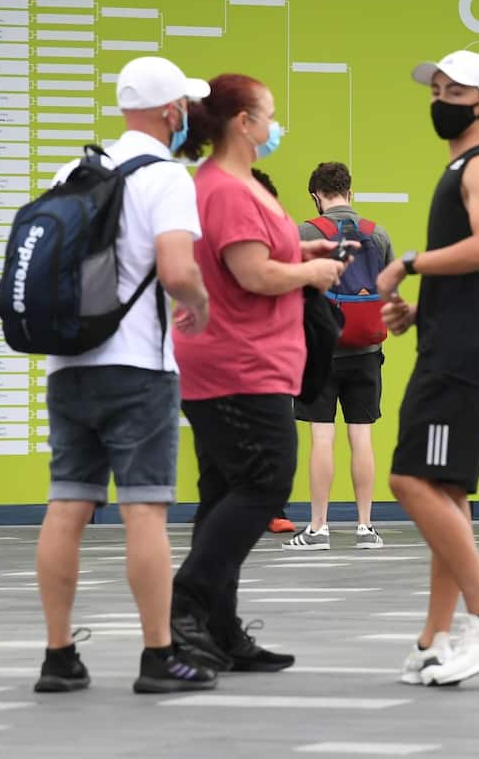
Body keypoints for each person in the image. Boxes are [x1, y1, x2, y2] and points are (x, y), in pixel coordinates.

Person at [34, 55, 216, 694]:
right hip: (137, 367)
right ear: (172, 112)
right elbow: (175, 268)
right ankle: (159, 655)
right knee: (145, 512)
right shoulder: (167, 176)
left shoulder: (75, 169)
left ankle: (59, 656)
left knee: (67, 504)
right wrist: (197, 303)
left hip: (68, 365)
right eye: (184, 108)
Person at [168, 73, 348, 673]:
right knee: (266, 483)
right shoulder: (223, 189)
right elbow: (251, 275)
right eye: (268, 115)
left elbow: (260, 257)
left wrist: (305, 255)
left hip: (241, 357)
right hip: (239, 362)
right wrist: (310, 276)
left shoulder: (234, 185)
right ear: (242, 123)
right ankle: (187, 607)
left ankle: (219, 630)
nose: (274, 127)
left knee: (224, 492)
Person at [375, 49, 479, 686]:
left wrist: (408, 264)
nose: (440, 97)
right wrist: (420, 310)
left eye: (454, 88)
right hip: (454, 340)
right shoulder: (464, 168)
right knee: (444, 492)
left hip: (462, 355)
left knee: (409, 482)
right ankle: (433, 640)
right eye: (436, 87)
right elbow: (475, 268)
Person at [283, 161, 393, 551]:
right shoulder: (377, 234)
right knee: (361, 435)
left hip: (319, 350)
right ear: (350, 191)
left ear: (316, 195)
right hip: (366, 349)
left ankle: (318, 528)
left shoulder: (305, 233)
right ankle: (365, 527)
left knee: (322, 436)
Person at [250, 167, 299, 537]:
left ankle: (269, 508)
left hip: (270, 352)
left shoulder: (281, 236)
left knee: (273, 439)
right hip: (241, 353)